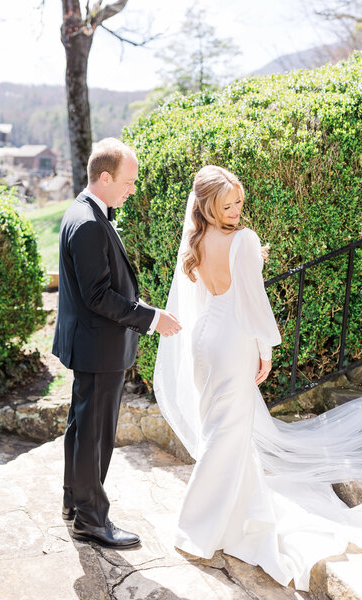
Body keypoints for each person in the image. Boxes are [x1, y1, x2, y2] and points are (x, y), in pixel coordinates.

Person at [154, 165, 362, 591]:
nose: (235, 211)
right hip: (231, 344)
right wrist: (265, 350)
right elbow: (253, 302)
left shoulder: (197, 240)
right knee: (225, 436)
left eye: (238, 204)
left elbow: (210, 289)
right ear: (209, 205)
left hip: (203, 342)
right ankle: (195, 528)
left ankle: (234, 518)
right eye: (226, 205)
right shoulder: (244, 241)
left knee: (223, 429)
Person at [52, 138, 181, 549]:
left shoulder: (85, 212)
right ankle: (91, 519)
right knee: (95, 434)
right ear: (104, 178)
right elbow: (97, 296)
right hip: (98, 346)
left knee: (81, 428)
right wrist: (151, 318)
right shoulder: (89, 223)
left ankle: (75, 504)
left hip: (91, 344)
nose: (132, 189)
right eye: (128, 182)